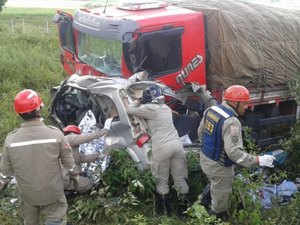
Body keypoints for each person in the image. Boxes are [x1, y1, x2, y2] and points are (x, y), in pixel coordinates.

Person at [197, 85, 276, 220]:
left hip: (205, 158)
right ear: (234, 102)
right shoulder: (232, 122)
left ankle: (201, 207)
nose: (246, 107)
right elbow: (234, 153)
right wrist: (258, 160)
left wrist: (211, 149)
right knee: (220, 205)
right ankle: (213, 219)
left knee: (214, 183)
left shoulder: (211, 110)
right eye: (244, 103)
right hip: (219, 167)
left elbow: (201, 133)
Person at [0, 89, 77, 225]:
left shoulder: (11, 140)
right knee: (55, 219)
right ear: (39, 110)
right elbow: (70, 164)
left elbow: (5, 175)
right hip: (53, 193)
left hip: (28, 195)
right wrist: (74, 180)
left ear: (18, 113)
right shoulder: (55, 135)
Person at [126, 84, 189, 216]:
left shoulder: (149, 108)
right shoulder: (165, 108)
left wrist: (137, 101)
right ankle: (183, 213)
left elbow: (129, 110)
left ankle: (164, 214)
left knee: (161, 180)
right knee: (180, 179)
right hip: (177, 145)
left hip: (162, 147)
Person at [62, 119, 112, 193]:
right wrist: (104, 131)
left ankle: (67, 189)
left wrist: (98, 156)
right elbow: (87, 138)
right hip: (63, 177)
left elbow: (81, 159)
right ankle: (69, 191)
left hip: (63, 177)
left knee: (83, 180)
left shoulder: (70, 147)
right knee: (88, 184)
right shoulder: (69, 138)